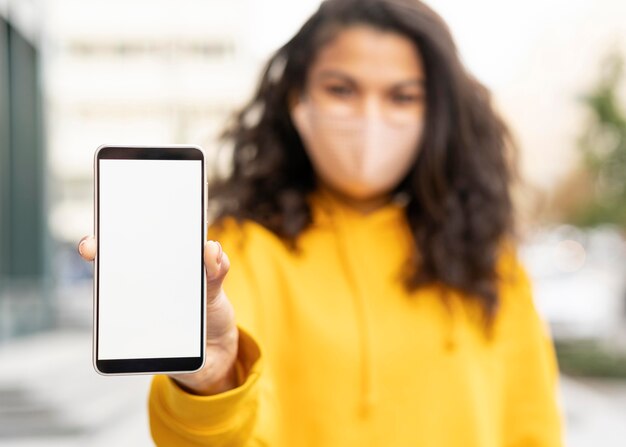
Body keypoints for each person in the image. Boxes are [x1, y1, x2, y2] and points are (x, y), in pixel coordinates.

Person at [79, 0, 564, 445]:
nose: (369, 117)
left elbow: (533, 428)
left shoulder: (486, 258)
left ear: (436, 113)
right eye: (341, 89)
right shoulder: (235, 253)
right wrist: (213, 383)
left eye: (401, 97)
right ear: (297, 100)